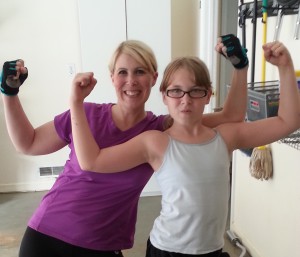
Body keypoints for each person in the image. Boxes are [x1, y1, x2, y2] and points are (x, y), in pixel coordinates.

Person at [1, 36, 248, 257]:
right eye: (122, 72)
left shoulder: (161, 128)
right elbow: (29, 143)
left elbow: (232, 115)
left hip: (104, 244)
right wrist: (9, 93)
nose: (131, 81)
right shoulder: (85, 113)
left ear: (153, 78)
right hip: (48, 236)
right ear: (112, 78)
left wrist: (239, 67)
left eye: (140, 71)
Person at [70, 41, 300, 257]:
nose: (185, 100)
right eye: (176, 91)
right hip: (167, 249)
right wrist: (76, 104)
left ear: (208, 95)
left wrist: (285, 66)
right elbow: (92, 161)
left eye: (196, 91)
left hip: (211, 249)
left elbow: (288, 121)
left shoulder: (227, 137)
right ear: (164, 96)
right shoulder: (154, 141)